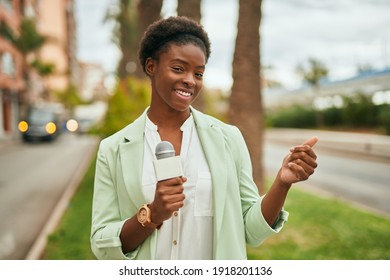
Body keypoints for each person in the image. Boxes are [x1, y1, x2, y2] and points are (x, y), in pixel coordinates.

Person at [90, 16, 318, 260]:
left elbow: (251, 231)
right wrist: (151, 215)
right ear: (150, 66)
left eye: (198, 73)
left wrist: (282, 183)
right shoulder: (113, 149)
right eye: (178, 68)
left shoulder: (228, 139)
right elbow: (102, 242)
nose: (190, 80)